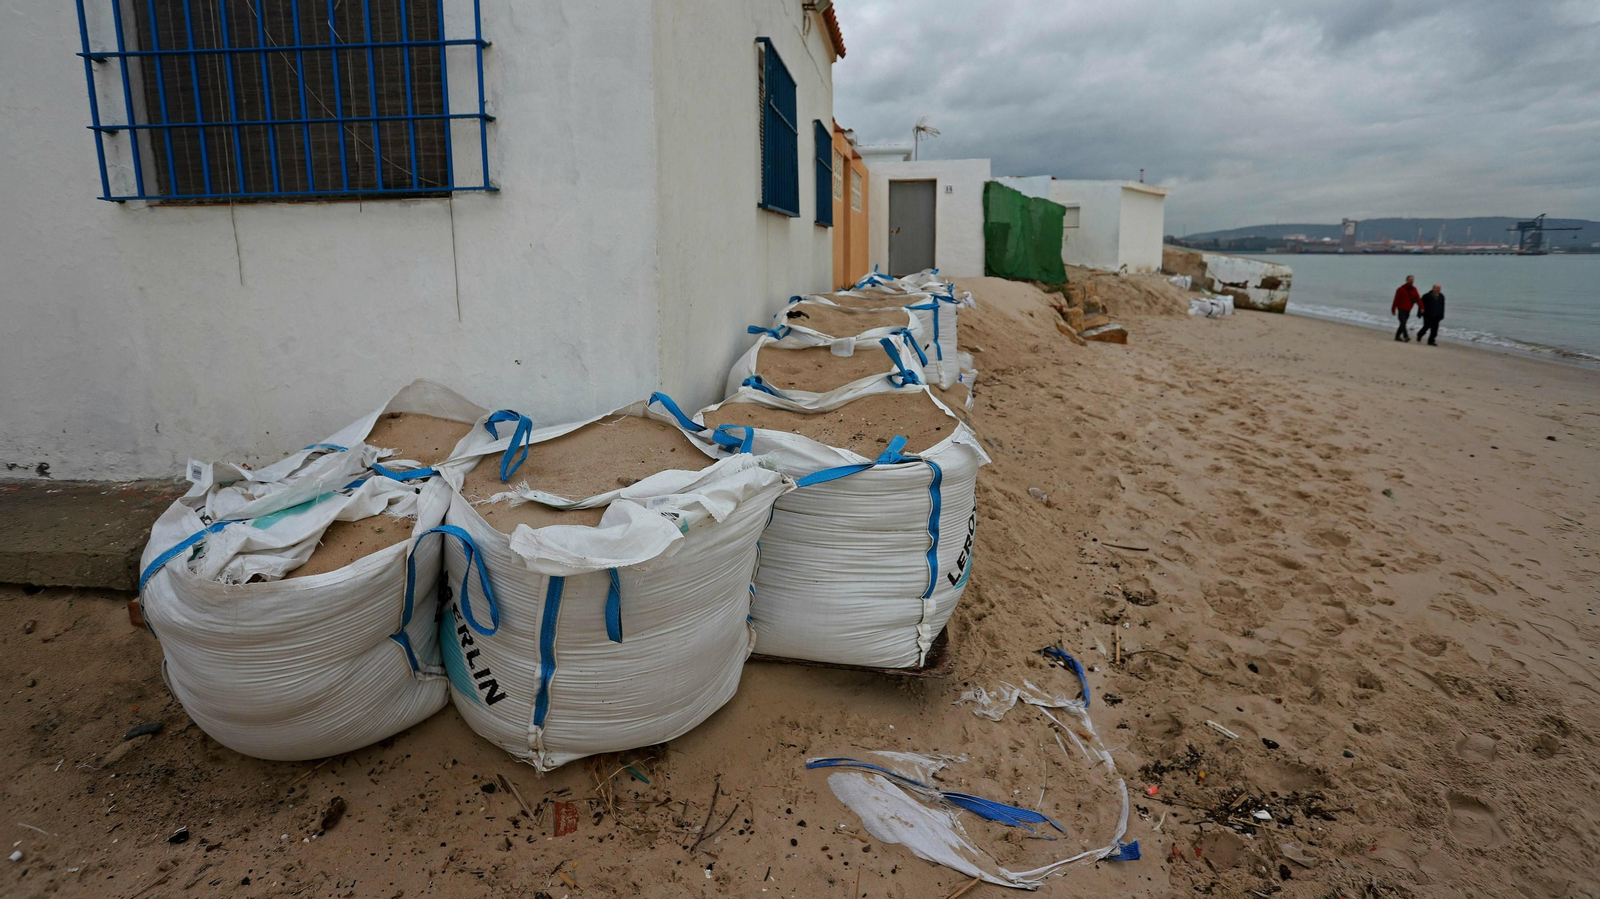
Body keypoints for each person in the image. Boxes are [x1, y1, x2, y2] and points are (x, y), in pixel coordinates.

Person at [1391, 275, 1421, 341]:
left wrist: (1422, 307)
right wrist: (1393, 309)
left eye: (1412, 280)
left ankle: (1397, 337)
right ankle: (1406, 336)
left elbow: (1418, 298)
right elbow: (1396, 300)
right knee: (1403, 323)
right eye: (1410, 280)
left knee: (1402, 323)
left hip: (1408, 310)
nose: (1411, 281)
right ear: (1406, 280)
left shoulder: (1414, 289)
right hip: (1401, 309)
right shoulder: (1400, 289)